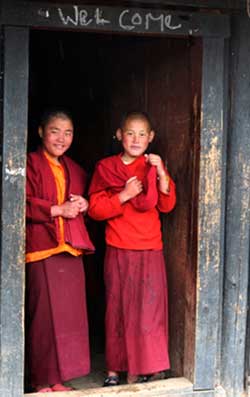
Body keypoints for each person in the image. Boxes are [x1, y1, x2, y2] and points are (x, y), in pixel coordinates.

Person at [88, 111, 176, 386]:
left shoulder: (152, 167)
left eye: (142, 134)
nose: (136, 139)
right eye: (130, 133)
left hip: (150, 247)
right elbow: (95, 210)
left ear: (151, 138)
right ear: (118, 135)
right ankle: (115, 370)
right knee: (118, 309)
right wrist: (124, 195)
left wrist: (161, 171)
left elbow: (167, 205)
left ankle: (146, 368)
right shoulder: (105, 168)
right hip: (119, 247)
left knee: (149, 310)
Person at [25, 109, 95, 393]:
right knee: (42, 318)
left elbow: (88, 204)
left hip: (71, 249)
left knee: (67, 319)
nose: (62, 138)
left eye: (68, 133)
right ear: (41, 131)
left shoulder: (75, 169)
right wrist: (57, 210)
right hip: (42, 249)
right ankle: (40, 380)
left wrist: (85, 205)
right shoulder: (28, 164)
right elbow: (18, 201)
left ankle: (57, 379)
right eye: (55, 131)